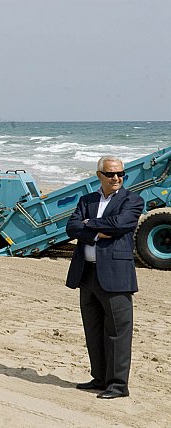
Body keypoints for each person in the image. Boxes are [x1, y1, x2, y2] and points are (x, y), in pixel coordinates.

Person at [65, 155, 144, 399]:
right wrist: (98, 233)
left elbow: (121, 224)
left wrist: (89, 224)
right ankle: (99, 378)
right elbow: (71, 227)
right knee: (94, 329)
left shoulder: (133, 200)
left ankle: (118, 385)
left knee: (118, 332)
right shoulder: (86, 199)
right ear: (99, 175)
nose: (117, 178)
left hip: (115, 275)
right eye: (111, 174)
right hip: (87, 274)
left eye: (121, 173)